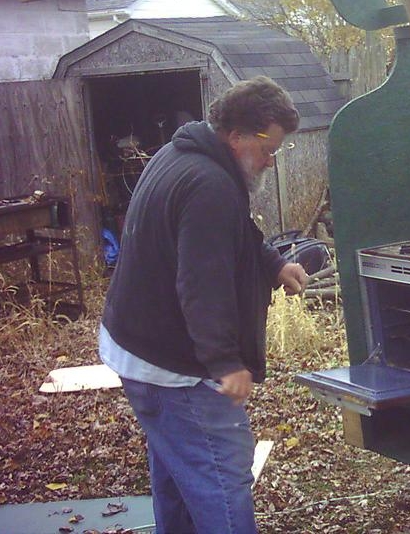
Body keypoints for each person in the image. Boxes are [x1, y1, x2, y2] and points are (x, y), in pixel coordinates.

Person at [99, 76, 309, 534]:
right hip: (173, 365)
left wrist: (272, 263)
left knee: (178, 466)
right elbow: (201, 284)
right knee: (220, 475)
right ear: (236, 135)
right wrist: (225, 363)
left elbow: (226, 233)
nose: (271, 161)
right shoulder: (209, 184)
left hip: (134, 344)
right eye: (268, 149)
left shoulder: (182, 155)